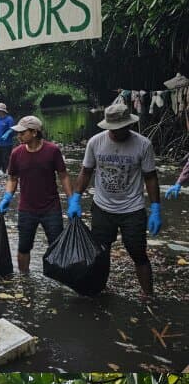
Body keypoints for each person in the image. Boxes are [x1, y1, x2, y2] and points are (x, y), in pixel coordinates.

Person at [73, 99, 161, 298]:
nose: (115, 132)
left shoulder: (143, 144)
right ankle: (99, 291)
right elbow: (86, 172)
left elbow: (150, 177)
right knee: (101, 254)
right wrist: (75, 198)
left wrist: (156, 207)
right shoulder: (96, 142)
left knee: (138, 253)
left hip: (133, 209)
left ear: (129, 125)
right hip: (102, 207)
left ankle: (148, 296)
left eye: (120, 128)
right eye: (112, 128)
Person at [0, 116, 72, 274]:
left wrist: (72, 199)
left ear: (34, 133)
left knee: (56, 245)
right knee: (24, 246)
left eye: (22, 133)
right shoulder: (16, 153)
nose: (18, 136)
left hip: (51, 208)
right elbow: (12, 178)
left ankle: (57, 277)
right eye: (18, 133)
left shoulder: (52, 151)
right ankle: (25, 279)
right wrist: (7, 197)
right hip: (26, 208)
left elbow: (63, 175)